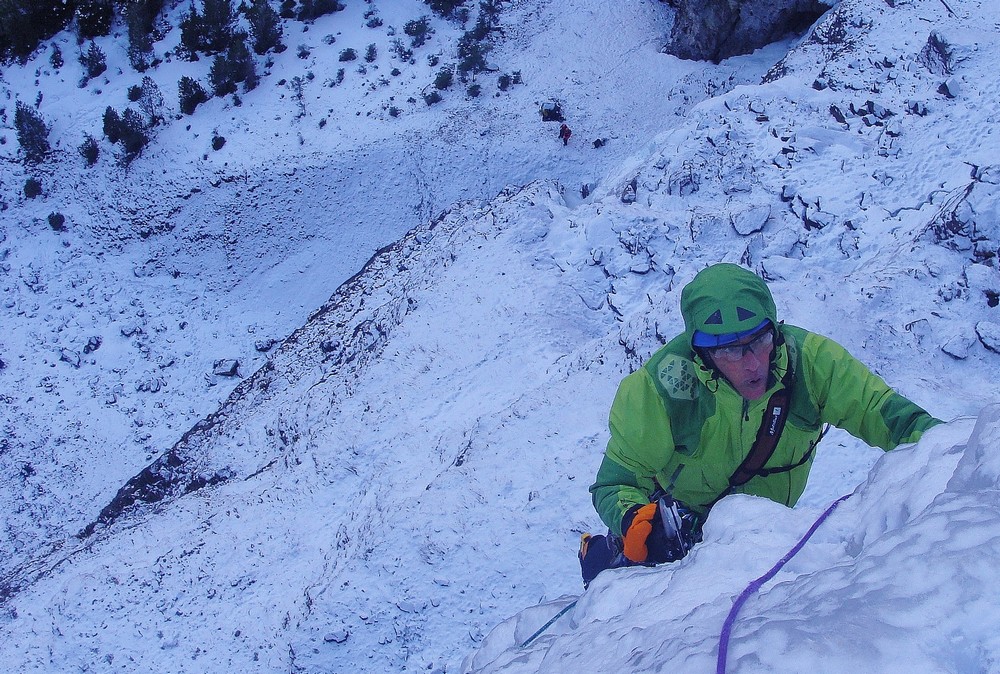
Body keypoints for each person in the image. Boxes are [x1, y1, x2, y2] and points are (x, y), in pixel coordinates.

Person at [579, 263, 942, 586]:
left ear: (775, 329)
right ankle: (601, 553)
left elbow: (885, 413)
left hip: (764, 537)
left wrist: (956, 451)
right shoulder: (662, 391)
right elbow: (616, 483)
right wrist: (636, 521)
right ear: (701, 353)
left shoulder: (813, 365)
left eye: (760, 341)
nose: (752, 364)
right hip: (684, 527)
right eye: (729, 350)